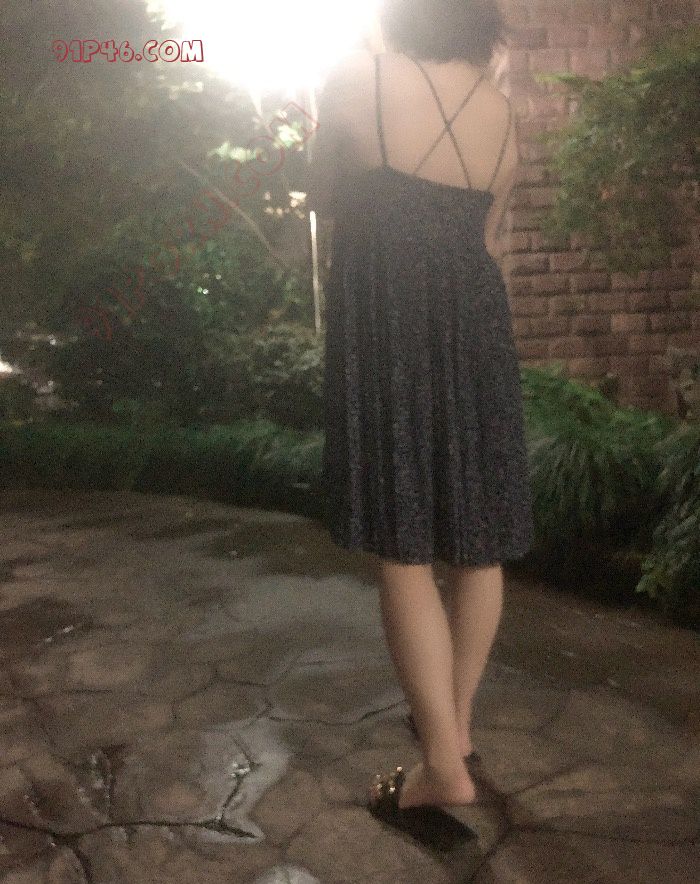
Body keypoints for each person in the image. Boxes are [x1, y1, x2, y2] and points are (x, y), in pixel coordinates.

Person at [306, 0, 535, 816]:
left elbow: (321, 196)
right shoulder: (501, 111)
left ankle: (442, 769)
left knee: (403, 541)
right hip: (477, 321)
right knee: (478, 539)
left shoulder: (356, 77)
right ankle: (456, 732)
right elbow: (490, 241)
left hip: (388, 317)